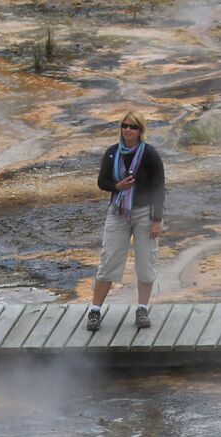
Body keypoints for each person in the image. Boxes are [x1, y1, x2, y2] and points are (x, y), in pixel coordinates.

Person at [88, 110, 166, 332]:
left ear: (140, 130)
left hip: (145, 214)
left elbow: (159, 187)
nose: (127, 130)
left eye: (132, 127)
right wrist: (117, 187)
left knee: (145, 263)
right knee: (109, 259)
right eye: (124, 126)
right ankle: (95, 311)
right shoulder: (113, 153)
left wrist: (157, 219)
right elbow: (102, 181)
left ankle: (142, 308)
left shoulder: (150, 154)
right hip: (118, 212)